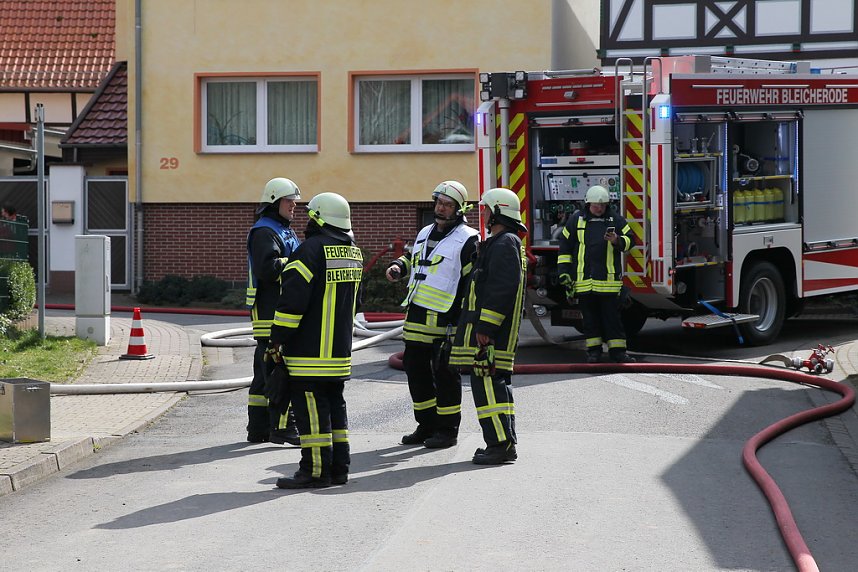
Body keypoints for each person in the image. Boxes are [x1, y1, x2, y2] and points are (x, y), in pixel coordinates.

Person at [266, 192, 362, 489]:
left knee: (312, 417)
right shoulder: (353, 252)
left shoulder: (309, 252)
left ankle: (315, 471)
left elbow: (291, 304)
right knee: (335, 412)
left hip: (308, 355)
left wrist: (275, 341)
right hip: (339, 355)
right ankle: (339, 469)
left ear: (318, 218)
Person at [386, 181, 478, 449]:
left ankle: (447, 430)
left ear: (459, 209)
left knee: (445, 373)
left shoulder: (468, 239)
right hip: (417, 314)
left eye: (447, 205)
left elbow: (470, 281)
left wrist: (462, 319)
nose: (440, 208)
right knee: (415, 369)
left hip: (446, 318)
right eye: (438, 202)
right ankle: (426, 424)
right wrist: (397, 266)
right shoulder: (426, 231)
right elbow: (415, 258)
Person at [449, 187, 527, 465]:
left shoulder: (505, 242)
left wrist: (486, 328)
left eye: (485, 209)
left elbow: (502, 289)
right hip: (492, 334)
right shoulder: (501, 242)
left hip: (492, 336)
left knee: (488, 387)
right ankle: (503, 442)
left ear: (497, 212)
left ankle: (500, 446)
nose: (482, 213)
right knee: (494, 386)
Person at [245, 178, 301, 445]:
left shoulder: (282, 229)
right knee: (279, 372)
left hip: (277, 310)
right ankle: (282, 428)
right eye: (289, 201)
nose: (294, 206)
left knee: (263, 374)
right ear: (275, 201)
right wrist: (300, 262)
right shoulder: (264, 232)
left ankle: (257, 430)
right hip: (271, 314)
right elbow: (267, 270)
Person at [557, 185, 636, 364]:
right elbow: (565, 247)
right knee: (590, 321)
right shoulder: (576, 220)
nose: (599, 208)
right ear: (588, 204)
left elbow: (631, 240)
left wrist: (617, 240)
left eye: (602, 205)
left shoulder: (615, 219)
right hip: (584, 282)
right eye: (595, 205)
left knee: (612, 320)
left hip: (608, 283)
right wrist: (564, 273)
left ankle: (618, 353)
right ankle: (594, 352)